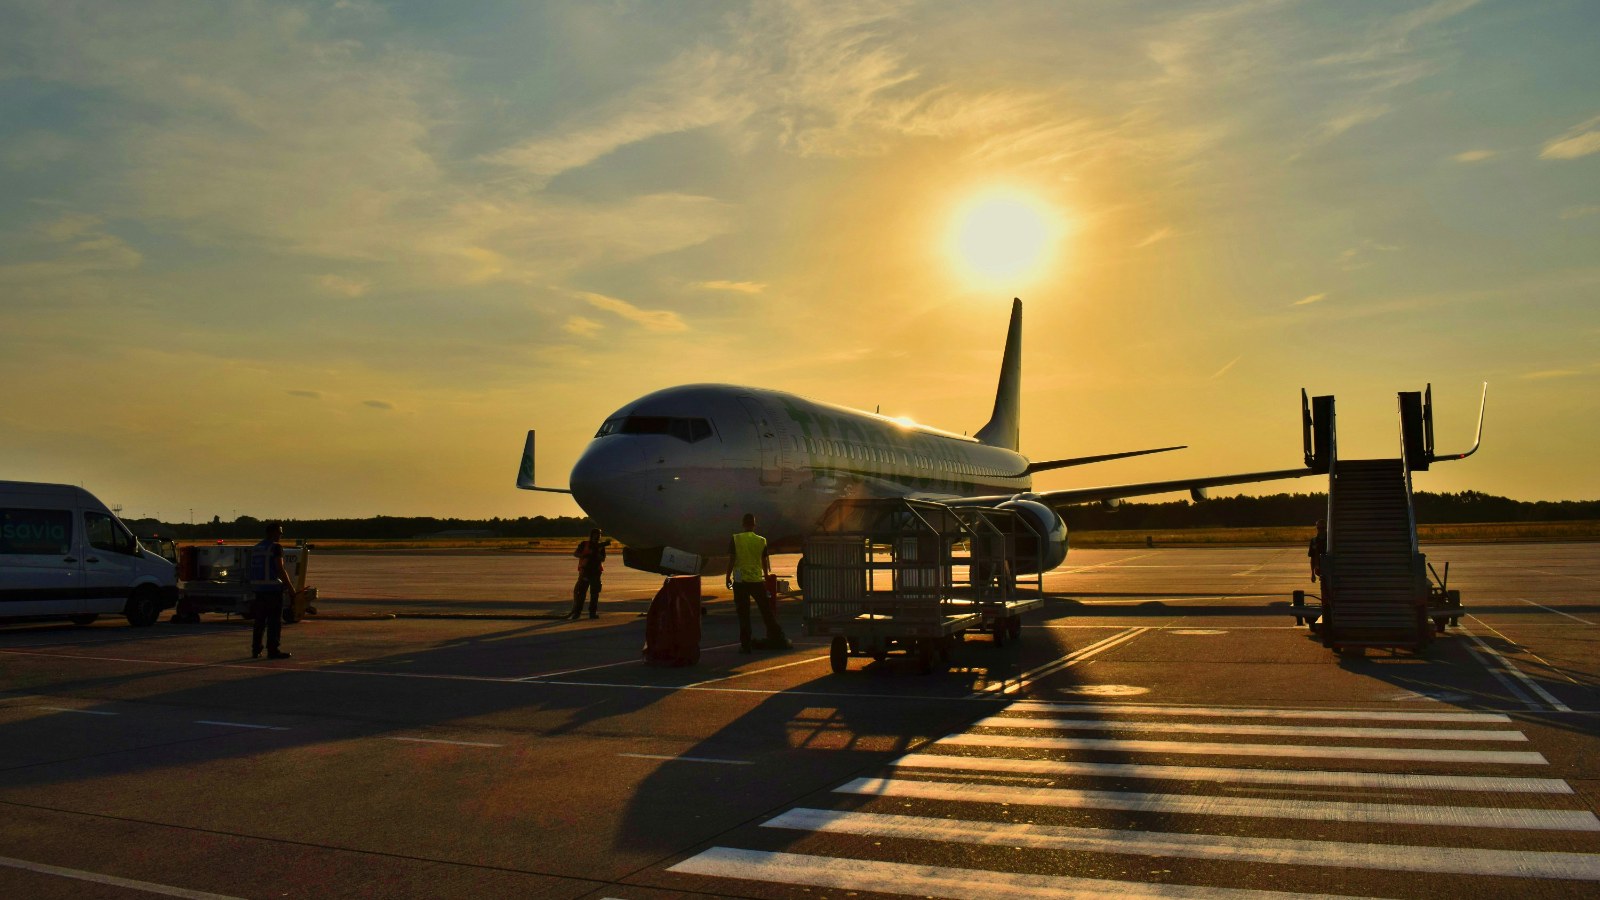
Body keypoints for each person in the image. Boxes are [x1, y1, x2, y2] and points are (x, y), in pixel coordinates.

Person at [726, 513, 789, 653]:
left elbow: (731, 560)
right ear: (754, 525)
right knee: (766, 611)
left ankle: (746, 645)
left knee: (744, 615)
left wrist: (727, 577)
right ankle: (777, 637)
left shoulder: (736, 539)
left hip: (740, 581)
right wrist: (766, 576)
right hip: (756, 581)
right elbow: (764, 561)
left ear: (743, 524)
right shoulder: (761, 540)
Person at [246, 522, 294, 659]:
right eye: (279, 532)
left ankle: (256, 650)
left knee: (259, 621)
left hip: (259, 590)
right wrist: (290, 588)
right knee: (274, 622)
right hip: (272, 590)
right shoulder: (276, 547)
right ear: (272, 533)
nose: (281, 535)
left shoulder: (256, 548)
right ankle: (273, 650)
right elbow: (280, 569)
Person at [570, 529, 607, 619]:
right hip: (585, 571)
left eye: (598, 535)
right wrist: (586, 554)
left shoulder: (601, 547)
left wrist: (597, 553)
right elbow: (576, 554)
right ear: (591, 535)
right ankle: (577, 613)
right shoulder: (584, 544)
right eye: (595, 534)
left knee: (594, 593)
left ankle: (592, 613)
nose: (597, 536)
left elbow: (602, 559)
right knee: (581, 593)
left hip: (596, 572)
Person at [1309, 519, 1326, 583]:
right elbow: (1312, 558)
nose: (1321, 530)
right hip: (1319, 569)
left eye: (1323, 528)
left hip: (1329, 569)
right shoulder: (1314, 541)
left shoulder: (1330, 541)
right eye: (1319, 528)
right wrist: (1312, 574)